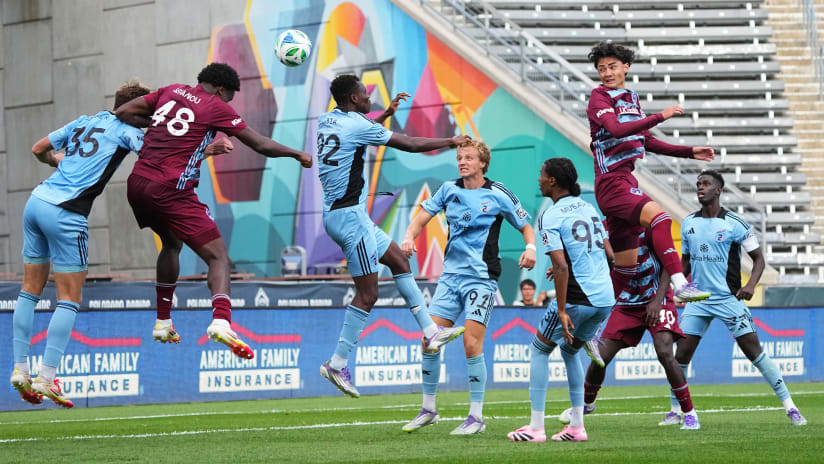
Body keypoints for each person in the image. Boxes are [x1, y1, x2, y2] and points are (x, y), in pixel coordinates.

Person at [115, 63, 313, 359]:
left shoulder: (171, 91)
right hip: (170, 189)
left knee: (171, 243)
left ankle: (163, 320)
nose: (228, 104)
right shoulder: (216, 106)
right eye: (229, 97)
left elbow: (124, 113)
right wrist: (296, 153)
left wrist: (159, 122)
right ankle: (221, 320)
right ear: (221, 89)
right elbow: (260, 144)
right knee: (218, 257)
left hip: (138, 183)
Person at [316, 74, 468, 398]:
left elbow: (357, 128)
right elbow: (410, 144)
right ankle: (337, 362)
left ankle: (430, 332)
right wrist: (450, 142)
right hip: (349, 219)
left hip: (345, 215)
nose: (369, 97)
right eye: (364, 94)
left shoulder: (328, 119)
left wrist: (383, 115)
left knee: (399, 259)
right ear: (354, 99)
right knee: (368, 295)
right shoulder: (358, 126)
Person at [10, 82, 157, 408]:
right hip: (66, 213)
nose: (149, 118)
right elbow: (158, 158)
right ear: (133, 110)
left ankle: (20, 369)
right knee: (69, 299)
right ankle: (46, 377)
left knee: (29, 290)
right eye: (147, 111)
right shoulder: (128, 132)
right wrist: (205, 150)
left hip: (36, 202)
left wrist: (56, 161)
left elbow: (37, 148)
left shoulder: (84, 120)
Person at [400, 139, 536, 435]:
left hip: (481, 279)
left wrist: (531, 247)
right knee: (429, 340)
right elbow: (420, 219)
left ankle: (476, 417)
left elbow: (526, 225)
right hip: (450, 278)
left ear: (482, 163)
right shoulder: (449, 189)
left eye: (469, 158)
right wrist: (409, 236)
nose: (462, 162)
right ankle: (429, 409)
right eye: (460, 157)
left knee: (471, 343)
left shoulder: (498, 193)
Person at [666, 170, 806, 426]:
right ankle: (675, 411)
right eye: (698, 184)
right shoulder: (688, 223)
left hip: (728, 299)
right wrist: (678, 287)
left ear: (718, 190)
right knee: (680, 355)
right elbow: (684, 262)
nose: (700, 187)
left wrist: (751, 284)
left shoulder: (735, 223)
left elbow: (760, 259)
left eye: (706, 184)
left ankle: (791, 407)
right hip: (698, 299)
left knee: (754, 352)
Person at [586, 41, 714, 303]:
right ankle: (681, 284)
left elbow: (647, 140)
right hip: (612, 183)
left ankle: (587, 325)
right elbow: (617, 130)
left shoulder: (632, 98)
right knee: (661, 219)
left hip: (624, 180)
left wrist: (689, 151)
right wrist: (661, 116)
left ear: (626, 67)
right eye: (601, 69)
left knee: (625, 268)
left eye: (612, 67)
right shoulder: (598, 97)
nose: (607, 73)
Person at [507, 158, 615, 443]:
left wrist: (564, 309)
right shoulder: (588, 207)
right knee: (569, 353)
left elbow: (563, 268)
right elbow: (610, 256)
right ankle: (577, 427)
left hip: (579, 297)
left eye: (541, 175)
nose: (538, 179)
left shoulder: (550, 215)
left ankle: (535, 428)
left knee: (539, 350)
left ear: (553, 181)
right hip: (605, 297)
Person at [557, 228, 698, 430]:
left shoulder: (649, 224)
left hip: (657, 299)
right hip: (625, 303)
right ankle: (587, 404)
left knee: (665, 352)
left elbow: (670, 263)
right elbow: (590, 257)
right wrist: (564, 267)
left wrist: (658, 301)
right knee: (600, 357)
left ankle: (689, 414)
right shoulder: (604, 227)